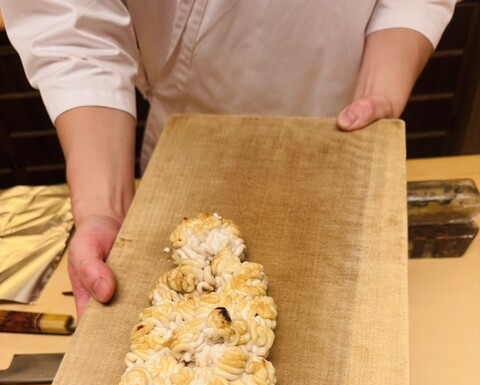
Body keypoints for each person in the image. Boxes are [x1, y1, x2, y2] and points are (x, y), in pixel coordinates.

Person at [1, 0, 458, 318]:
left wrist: (378, 92)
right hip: (186, 137)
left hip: (343, 124)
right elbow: (71, 25)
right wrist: (103, 207)